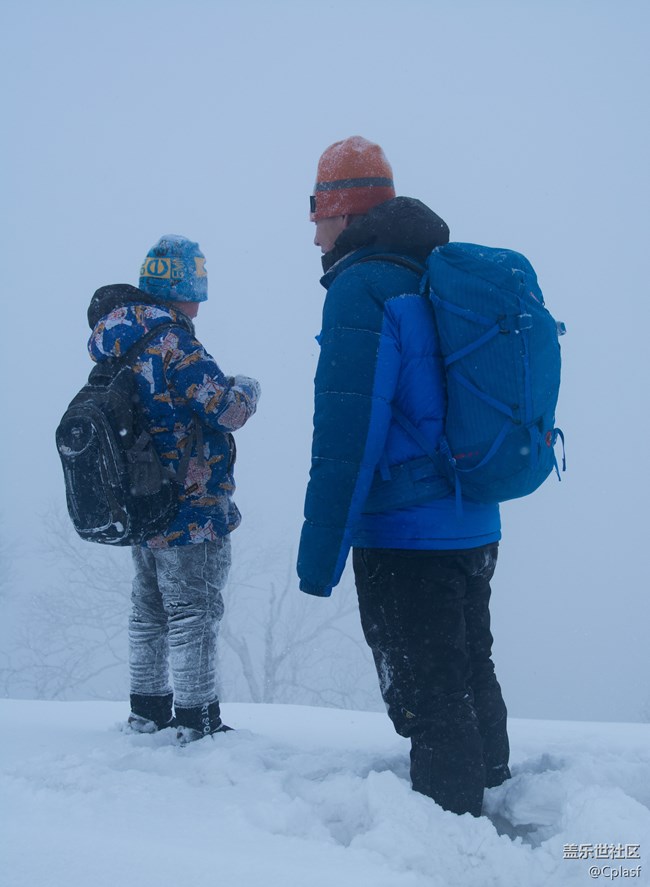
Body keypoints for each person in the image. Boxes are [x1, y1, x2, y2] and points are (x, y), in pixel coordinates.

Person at [297, 137, 510, 815]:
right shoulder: (436, 273)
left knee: (429, 694)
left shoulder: (361, 287)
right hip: (473, 518)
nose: (314, 237)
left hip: (405, 532)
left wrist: (318, 558)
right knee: (470, 668)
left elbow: (346, 433)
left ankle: (452, 837)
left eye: (316, 217)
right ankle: (498, 795)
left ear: (342, 211)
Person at [87, 235, 260, 744]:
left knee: (149, 610)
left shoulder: (117, 341)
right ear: (181, 290)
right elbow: (227, 409)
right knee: (193, 613)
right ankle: (197, 721)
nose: (200, 305)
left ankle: (147, 711)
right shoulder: (174, 343)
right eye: (196, 291)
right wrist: (248, 388)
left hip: (142, 496)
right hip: (190, 502)